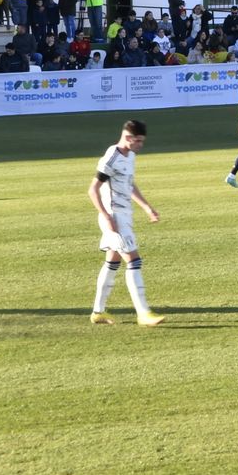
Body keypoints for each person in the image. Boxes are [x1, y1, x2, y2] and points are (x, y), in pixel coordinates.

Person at [87, 119, 164, 327]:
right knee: (134, 260)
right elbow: (93, 190)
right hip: (114, 217)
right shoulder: (111, 158)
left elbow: (129, 184)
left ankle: (97, 312)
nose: (141, 145)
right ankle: (143, 313)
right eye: (138, 141)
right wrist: (106, 216)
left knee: (112, 262)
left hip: (124, 215)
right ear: (128, 137)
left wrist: (147, 207)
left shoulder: (129, 156)